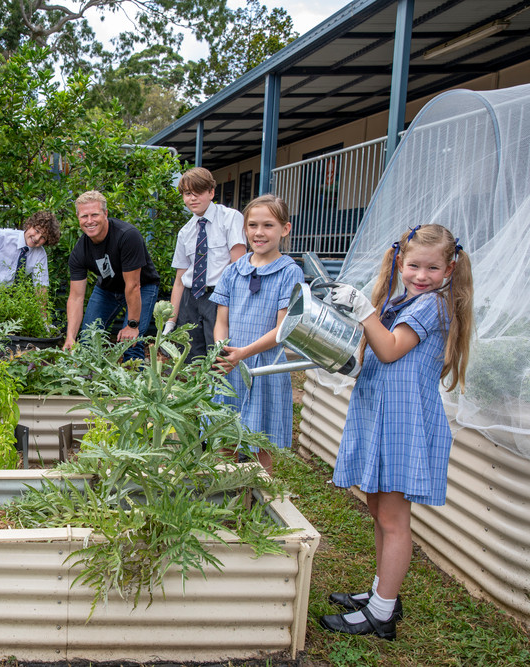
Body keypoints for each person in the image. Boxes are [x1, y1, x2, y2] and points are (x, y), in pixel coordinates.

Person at [319, 224, 473, 641]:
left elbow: (388, 350)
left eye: (432, 268)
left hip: (403, 421)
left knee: (392, 519)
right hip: (384, 413)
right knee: (378, 509)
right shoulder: (408, 298)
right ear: (401, 262)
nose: (421, 275)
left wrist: (363, 309)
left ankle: (383, 613)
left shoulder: (432, 306)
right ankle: (380, 593)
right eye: (414, 265)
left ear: (450, 268)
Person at [210, 194, 303, 474]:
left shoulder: (290, 272)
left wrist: (243, 354)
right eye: (252, 225)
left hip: (265, 367)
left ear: (285, 229)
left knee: (260, 442)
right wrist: (222, 351)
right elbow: (221, 321)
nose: (259, 233)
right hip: (230, 364)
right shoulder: (233, 271)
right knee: (225, 436)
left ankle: (258, 506)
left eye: (268, 225)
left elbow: (283, 329)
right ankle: (227, 501)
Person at [64, 190, 161, 361]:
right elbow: (76, 297)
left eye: (94, 214)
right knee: (87, 341)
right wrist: (70, 336)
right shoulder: (80, 251)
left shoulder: (127, 236)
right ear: (78, 218)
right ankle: (89, 385)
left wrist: (132, 325)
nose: (89, 221)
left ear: (105, 214)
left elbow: (133, 285)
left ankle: (137, 385)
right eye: (84, 216)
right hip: (107, 290)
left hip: (142, 288)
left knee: (131, 343)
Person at [164, 167, 246, 360]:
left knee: (218, 355)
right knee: (191, 357)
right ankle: (197, 390)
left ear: (211, 192)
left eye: (198, 192)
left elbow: (240, 266)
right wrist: (170, 322)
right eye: (187, 194)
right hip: (190, 300)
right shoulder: (185, 232)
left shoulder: (230, 218)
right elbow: (179, 279)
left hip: (219, 297)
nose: (192, 199)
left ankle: (217, 391)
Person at [0, 210, 61, 291]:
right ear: (29, 225)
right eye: (37, 231)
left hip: (5, 296)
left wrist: (42, 311)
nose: (37, 238)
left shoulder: (40, 254)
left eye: (43, 237)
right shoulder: (3, 236)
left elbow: (41, 286)